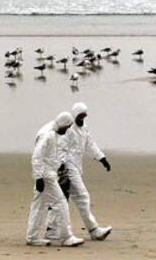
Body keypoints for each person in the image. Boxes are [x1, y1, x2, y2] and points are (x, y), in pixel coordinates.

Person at [46, 102, 113, 241]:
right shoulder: (69, 129)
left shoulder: (84, 129)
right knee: (82, 197)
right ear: (75, 115)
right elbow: (62, 147)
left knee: (62, 198)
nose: (82, 118)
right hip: (68, 167)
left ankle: (51, 229)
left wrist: (101, 158)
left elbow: (90, 144)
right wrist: (62, 168)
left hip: (76, 166)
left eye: (84, 115)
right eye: (80, 115)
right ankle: (94, 229)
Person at [26, 112, 84, 247]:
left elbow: (49, 156)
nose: (67, 129)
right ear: (63, 124)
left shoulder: (51, 131)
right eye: (67, 127)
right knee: (61, 202)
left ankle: (33, 236)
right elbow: (37, 156)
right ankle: (66, 236)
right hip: (46, 175)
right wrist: (39, 177)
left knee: (39, 205)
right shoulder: (48, 135)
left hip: (47, 173)